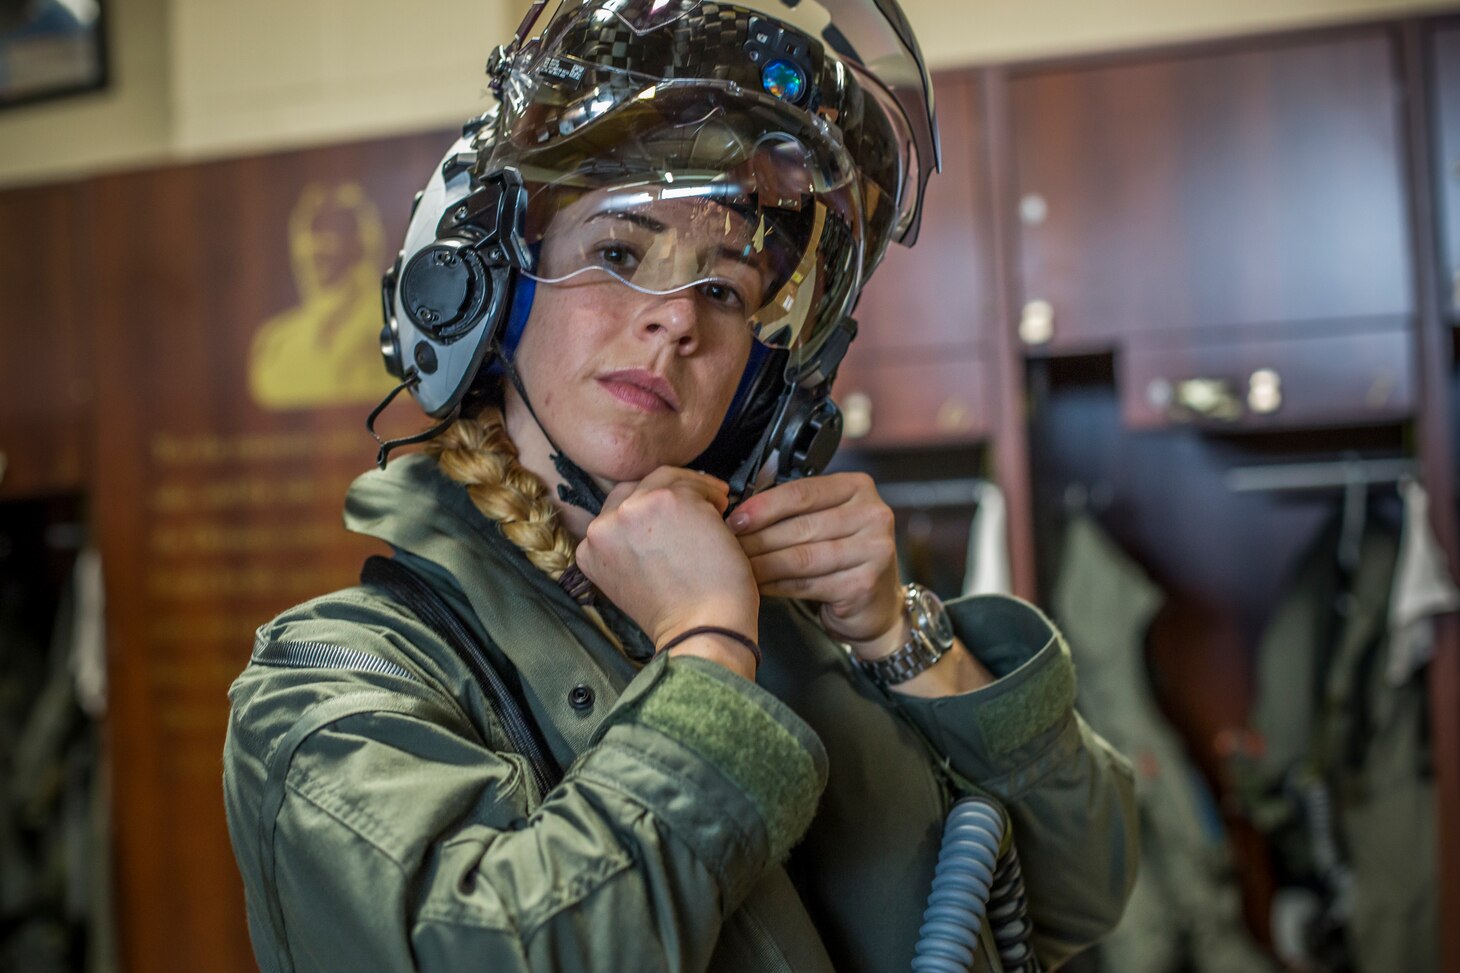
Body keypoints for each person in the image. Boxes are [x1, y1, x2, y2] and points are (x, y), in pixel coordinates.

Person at [222, 1, 1138, 970]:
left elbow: (1083, 885)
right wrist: (704, 645)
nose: (673, 322)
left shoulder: (800, 623)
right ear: (487, 287)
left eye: (721, 289)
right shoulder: (334, 678)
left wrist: (897, 638)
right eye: (616, 255)